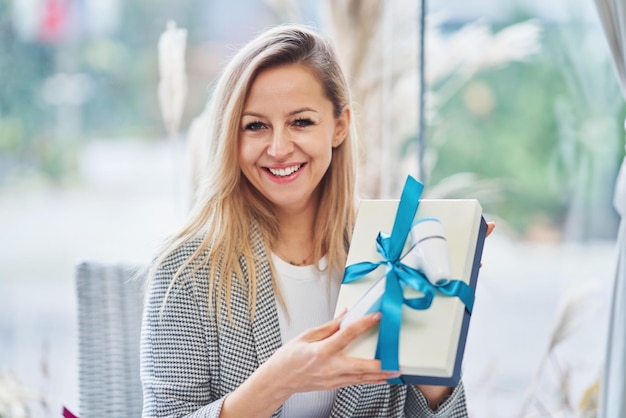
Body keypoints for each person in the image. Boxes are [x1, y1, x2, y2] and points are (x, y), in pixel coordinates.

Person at [141, 24, 493, 417]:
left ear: (339, 126)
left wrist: (435, 347)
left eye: (301, 122)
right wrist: (278, 381)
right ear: (231, 136)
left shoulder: (388, 255)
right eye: (255, 125)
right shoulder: (186, 270)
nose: (278, 148)